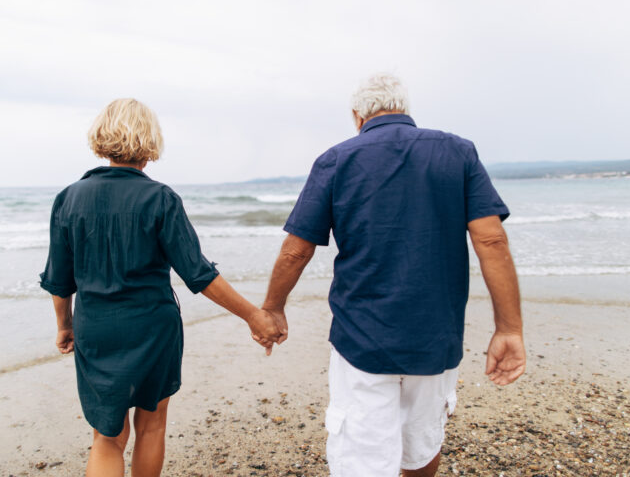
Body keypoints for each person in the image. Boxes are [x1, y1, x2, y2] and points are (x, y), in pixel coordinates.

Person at [261, 73, 526, 476]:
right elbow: (491, 242)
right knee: (420, 444)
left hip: (362, 337)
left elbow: (297, 250)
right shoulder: (458, 152)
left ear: (357, 116)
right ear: (403, 108)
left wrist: (273, 308)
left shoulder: (337, 159)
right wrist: (509, 329)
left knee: (363, 456)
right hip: (437, 335)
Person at [39, 98, 283, 477]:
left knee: (107, 436)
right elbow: (198, 274)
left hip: (97, 327)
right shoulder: (160, 198)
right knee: (152, 424)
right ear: (149, 141)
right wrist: (253, 316)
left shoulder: (69, 198)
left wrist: (64, 325)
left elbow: (59, 278)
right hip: (152, 325)